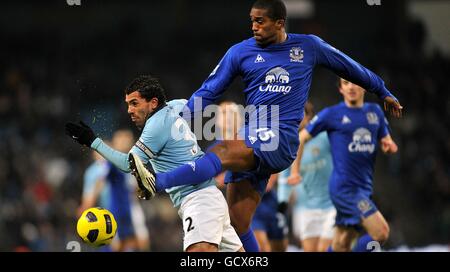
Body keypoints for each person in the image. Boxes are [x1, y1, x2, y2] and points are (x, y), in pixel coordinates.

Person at [111, 0, 402, 252]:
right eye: (251, 20)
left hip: (281, 137)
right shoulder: (240, 52)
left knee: (222, 149)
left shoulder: (308, 47)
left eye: (260, 21)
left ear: (279, 23)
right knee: (237, 223)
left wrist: (381, 88)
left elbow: (347, 65)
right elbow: (209, 90)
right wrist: (179, 119)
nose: (253, 26)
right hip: (254, 135)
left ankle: (157, 182)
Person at [66, 75, 243, 252]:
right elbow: (198, 105)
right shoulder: (177, 105)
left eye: (135, 103)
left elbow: (129, 164)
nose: (129, 110)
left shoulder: (155, 125)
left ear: (153, 103)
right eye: (128, 104)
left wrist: (93, 141)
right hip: (210, 198)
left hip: (198, 201)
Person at [294, 78, 398, 252]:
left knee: (341, 245)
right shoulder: (331, 114)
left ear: (364, 87)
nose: (351, 87)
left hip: (364, 188)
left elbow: (386, 141)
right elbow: (301, 138)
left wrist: (389, 146)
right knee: (381, 232)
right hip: (345, 189)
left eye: (355, 82)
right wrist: (294, 171)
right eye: (346, 83)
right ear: (340, 89)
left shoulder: (375, 113)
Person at [77, 131, 150, 252]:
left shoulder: (128, 163)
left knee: (138, 241)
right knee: (116, 243)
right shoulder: (96, 170)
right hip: (109, 212)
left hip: (128, 208)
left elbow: (135, 188)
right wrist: (86, 207)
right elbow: (95, 189)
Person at [277, 102, 335, 252]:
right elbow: (285, 175)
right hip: (304, 207)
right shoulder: (289, 144)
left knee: (324, 249)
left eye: (299, 113)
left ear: (309, 117)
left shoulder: (324, 137)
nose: (295, 117)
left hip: (331, 205)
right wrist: (283, 200)